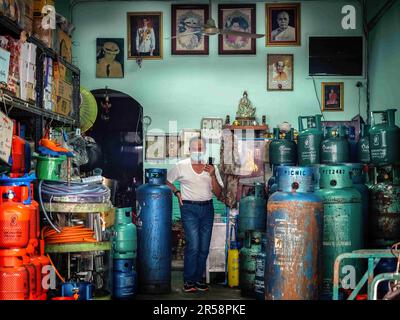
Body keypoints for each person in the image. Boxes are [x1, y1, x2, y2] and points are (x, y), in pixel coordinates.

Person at [167, 137, 223, 293]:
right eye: (195, 148)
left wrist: (212, 175)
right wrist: (177, 192)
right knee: (194, 245)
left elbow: (218, 194)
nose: (198, 151)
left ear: (205, 150)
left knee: (204, 247)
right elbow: (166, 181)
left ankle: (198, 280)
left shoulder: (211, 168)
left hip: (207, 209)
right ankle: (188, 281)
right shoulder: (181, 166)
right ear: (189, 150)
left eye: (201, 148)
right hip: (189, 209)